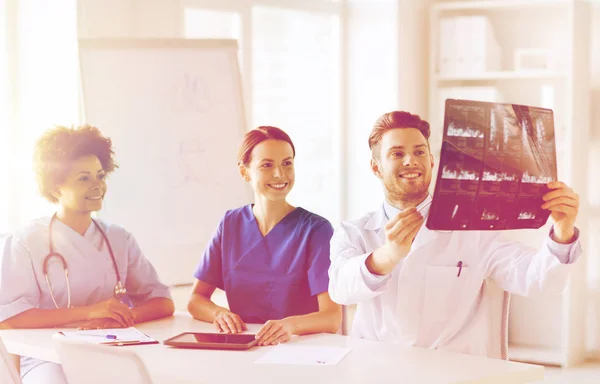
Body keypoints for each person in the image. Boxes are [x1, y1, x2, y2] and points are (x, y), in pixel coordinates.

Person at [328, 111, 581, 358]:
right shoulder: (353, 232)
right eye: (397, 153)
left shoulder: (473, 228)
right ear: (376, 167)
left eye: (419, 152)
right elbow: (340, 290)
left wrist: (563, 230)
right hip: (378, 369)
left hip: (453, 371)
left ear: (431, 161)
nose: (410, 161)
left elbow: (539, 281)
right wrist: (386, 256)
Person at [0, 125, 174, 383]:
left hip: (111, 351)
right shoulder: (25, 242)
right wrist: (90, 312)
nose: (98, 186)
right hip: (47, 355)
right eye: (84, 178)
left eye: (100, 176)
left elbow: (163, 301)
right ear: (56, 187)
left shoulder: (119, 238)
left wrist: (122, 318)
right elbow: (9, 319)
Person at [188, 126, 342, 346]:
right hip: (244, 345)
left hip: (299, 348)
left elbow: (332, 317)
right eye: (267, 165)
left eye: (287, 163)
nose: (279, 174)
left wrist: (290, 325)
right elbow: (196, 300)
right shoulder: (230, 224)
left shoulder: (316, 230)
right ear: (244, 172)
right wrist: (218, 314)